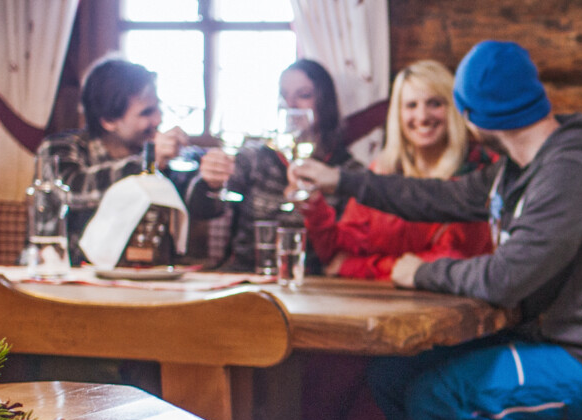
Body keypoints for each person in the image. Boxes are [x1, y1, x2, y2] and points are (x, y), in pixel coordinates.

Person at [289, 41, 582, 420]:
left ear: (472, 115)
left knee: (439, 398)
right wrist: (342, 181)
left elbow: (503, 279)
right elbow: (434, 197)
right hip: (545, 341)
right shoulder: (521, 168)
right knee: (391, 374)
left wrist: (420, 272)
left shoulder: (568, 173)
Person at [299, 60, 495, 279]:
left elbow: (447, 263)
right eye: (411, 105)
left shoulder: (472, 174)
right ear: (397, 114)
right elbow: (338, 251)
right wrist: (314, 208)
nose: (422, 116)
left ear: (453, 109)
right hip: (380, 306)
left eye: (435, 103)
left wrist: (357, 267)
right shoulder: (382, 171)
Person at [187, 59, 361, 271]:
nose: (290, 104)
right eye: (283, 95)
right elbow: (203, 208)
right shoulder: (254, 159)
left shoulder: (347, 171)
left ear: (325, 103)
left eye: (303, 95)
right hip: (246, 276)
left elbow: (349, 243)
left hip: (313, 282)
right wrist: (210, 183)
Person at [36, 58, 187, 240]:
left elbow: (191, 201)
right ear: (108, 121)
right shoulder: (59, 148)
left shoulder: (153, 153)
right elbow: (72, 191)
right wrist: (147, 163)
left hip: (137, 267)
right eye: (146, 112)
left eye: (158, 108)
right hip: (61, 266)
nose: (158, 120)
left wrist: (210, 182)